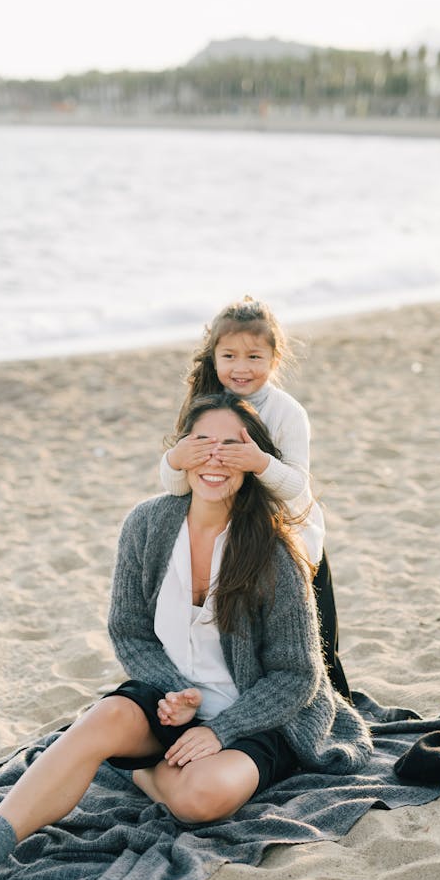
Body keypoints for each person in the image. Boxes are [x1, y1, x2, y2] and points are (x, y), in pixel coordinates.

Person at [0, 393, 373, 880]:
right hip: (170, 704)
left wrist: (220, 730)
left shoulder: (273, 552)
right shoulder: (147, 525)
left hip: (257, 716)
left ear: (253, 462)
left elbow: (298, 675)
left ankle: (132, 770)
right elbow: (129, 633)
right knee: (104, 716)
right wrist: (175, 693)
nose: (214, 458)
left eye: (232, 446)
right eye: (201, 443)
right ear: (179, 453)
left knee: (200, 798)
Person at [160, 296, 351, 698]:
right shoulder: (204, 405)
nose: (241, 367)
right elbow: (178, 487)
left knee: (313, 643)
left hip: (285, 533)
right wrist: (176, 459)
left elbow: (298, 488)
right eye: (229, 355)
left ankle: (325, 703)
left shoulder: (286, 413)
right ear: (213, 357)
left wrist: (259, 463)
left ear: (274, 358)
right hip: (227, 535)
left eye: (254, 356)